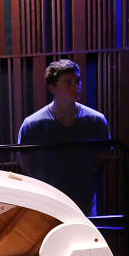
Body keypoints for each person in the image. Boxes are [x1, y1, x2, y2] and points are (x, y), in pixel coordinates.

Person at [17, 59, 111, 215]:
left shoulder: (96, 121)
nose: (76, 86)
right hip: (47, 205)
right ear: (52, 88)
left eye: (78, 81)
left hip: (84, 203)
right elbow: (27, 167)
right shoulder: (33, 124)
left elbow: (98, 161)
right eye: (68, 82)